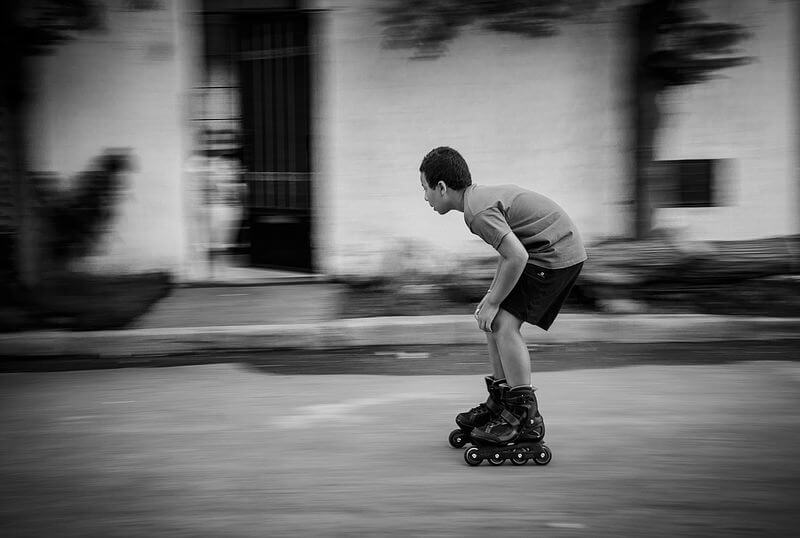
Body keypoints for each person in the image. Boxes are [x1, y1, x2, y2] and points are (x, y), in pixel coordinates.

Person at [419, 146, 587, 447]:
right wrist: (491, 297)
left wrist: (496, 301)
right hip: (547, 249)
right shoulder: (477, 200)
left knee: (504, 324)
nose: (425, 198)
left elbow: (517, 256)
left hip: (556, 253)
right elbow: (509, 252)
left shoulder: (477, 212)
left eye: (425, 189)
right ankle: (501, 402)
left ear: (442, 188)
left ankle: (524, 417)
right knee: (493, 319)